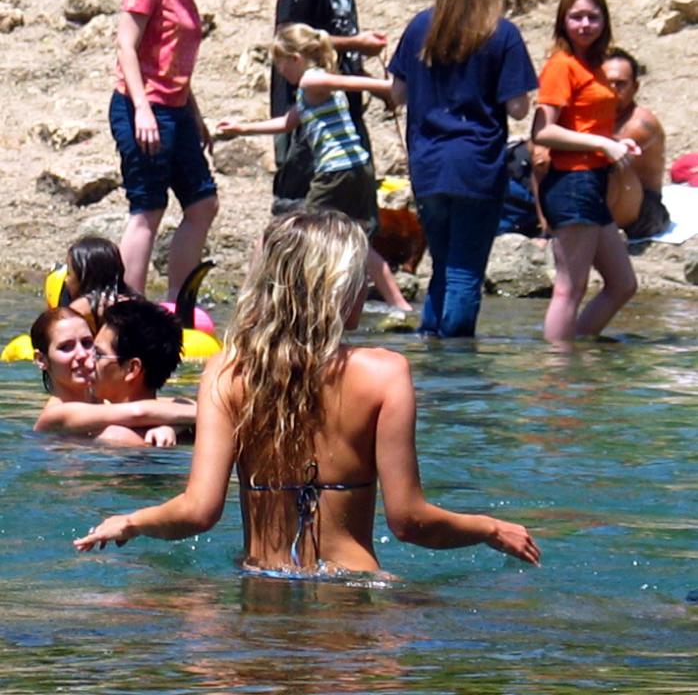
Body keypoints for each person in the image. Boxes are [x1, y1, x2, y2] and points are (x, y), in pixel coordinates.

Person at [74, 210, 540, 573]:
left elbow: (197, 512)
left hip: (261, 589)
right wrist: (490, 527)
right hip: (353, 592)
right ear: (335, 286)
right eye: (357, 274)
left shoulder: (226, 374)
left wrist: (131, 521)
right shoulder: (385, 373)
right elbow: (410, 521)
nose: (363, 285)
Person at [387, 0, 538, 337]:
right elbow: (518, 108)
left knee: (443, 265)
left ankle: (430, 357)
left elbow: (396, 95)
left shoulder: (421, 26)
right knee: (465, 271)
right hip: (477, 164)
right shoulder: (502, 34)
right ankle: (456, 372)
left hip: (428, 164)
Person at [218, 24, 412, 311]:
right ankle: (400, 306)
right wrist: (242, 128)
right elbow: (287, 123)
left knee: (288, 232)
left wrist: (392, 88)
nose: (280, 72)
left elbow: (352, 83)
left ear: (295, 58)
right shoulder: (309, 89)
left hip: (335, 172)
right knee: (356, 239)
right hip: (359, 169)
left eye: (280, 64)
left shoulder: (312, 79)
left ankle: (255, 303)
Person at [110, 0, 228, 300]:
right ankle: (128, 303)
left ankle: (178, 300)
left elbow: (174, 56)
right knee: (148, 206)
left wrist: (195, 113)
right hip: (142, 106)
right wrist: (142, 108)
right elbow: (126, 44)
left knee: (202, 203)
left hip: (176, 108)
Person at [531, 0, 638, 344]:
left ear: (605, 21)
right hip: (571, 183)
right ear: (562, 21)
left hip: (592, 180)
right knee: (569, 288)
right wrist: (601, 144)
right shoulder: (561, 66)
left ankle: (573, 346)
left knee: (623, 283)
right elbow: (542, 132)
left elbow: (588, 124)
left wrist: (614, 143)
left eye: (593, 16)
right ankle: (557, 375)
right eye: (576, 17)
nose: (585, 24)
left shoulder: (593, 65)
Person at [270, 0, 386, 211]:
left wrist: (368, 82)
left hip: (340, 112)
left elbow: (333, 52)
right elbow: (288, 36)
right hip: (310, 118)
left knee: (354, 221)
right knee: (303, 217)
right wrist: (357, 44)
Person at [33, 303, 195, 446]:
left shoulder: (107, 408)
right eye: (65, 347)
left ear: (132, 369)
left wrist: (171, 427)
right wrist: (205, 416)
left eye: (93, 349)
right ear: (41, 359)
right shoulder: (115, 437)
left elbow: (182, 404)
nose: (86, 357)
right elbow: (139, 412)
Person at [603, 48, 670, 239]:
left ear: (635, 87)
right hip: (611, 197)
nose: (613, 89)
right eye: (608, 83)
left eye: (620, 84)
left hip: (645, 209)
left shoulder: (640, 124)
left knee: (604, 161)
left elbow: (606, 156)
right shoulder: (597, 116)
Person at [64, 235, 137, 332]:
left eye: (69, 273)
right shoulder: (135, 302)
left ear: (86, 277)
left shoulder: (80, 309)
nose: (65, 280)